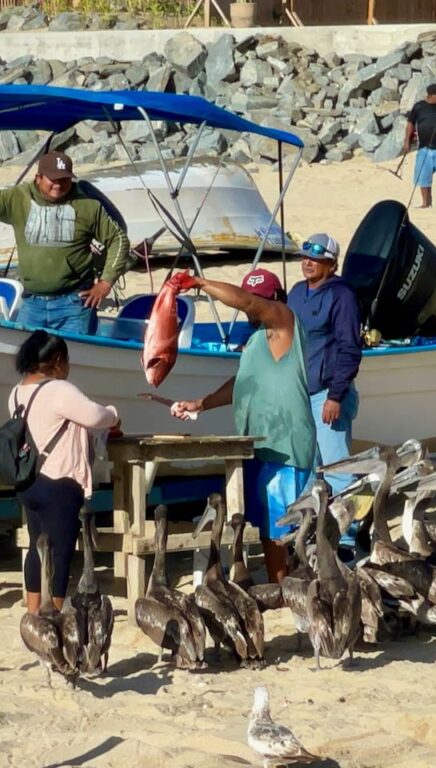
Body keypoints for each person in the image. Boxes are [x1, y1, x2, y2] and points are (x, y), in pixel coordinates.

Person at [167, 269, 315, 584]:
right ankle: (281, 584)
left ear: (275, 301)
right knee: (263, 525)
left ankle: (284, 588)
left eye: (260, 299)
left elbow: (247, 302)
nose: (252, 306)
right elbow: (242, 382)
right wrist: (201, 404)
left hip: (286, 446)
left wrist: (201, 283)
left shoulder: (284, 322)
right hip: (257, 444)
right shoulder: (254, 342)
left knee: (281, 527)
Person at [0, 150, 131, 335]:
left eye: (64, 179)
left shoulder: (89, 205)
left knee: (73, 360)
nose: (58, 185)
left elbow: (118, 239)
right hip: (32, 303)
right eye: (53, 179)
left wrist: (105, 283)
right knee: (25, 359)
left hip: (74, 303)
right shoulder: (18, 198)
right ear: (38, 178)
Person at [11, 330, 120, 613]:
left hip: (29, 481)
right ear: (58, 360)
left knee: (38, 548)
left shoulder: (17, 391)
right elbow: (97, 415)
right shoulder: (59, 389)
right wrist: (114, 413)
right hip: (60, 481)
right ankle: (55, 613)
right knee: (60, 553)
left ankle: (33, 613)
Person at [287, 234, 363, 495]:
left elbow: (350, 349)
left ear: (332, 265)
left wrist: (335, 396)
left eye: (316, 259)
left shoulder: (342, 296)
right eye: (305, 258)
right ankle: (311, 527)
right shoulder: (296, 292)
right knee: (305, 466)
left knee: (337, 468)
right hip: (299, 395)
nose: (308, 263)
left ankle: (348, 533)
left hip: (327, 396)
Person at [403, 83, 436, 210]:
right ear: (431, 95)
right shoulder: (418, 107)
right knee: (424, 178)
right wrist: (407, 141)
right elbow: (410, 124)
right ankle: (426, 203)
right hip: (424, 148)